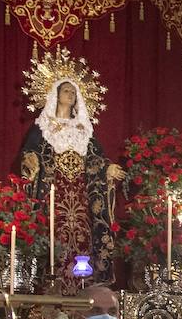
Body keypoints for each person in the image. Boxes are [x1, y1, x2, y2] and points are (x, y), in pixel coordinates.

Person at [20, 78, 125, 281]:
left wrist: (107, 168)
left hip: (80, 197)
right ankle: (49, 285)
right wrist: (30, 159)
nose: (71, 95)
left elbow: (95, 159)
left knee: (83, 237)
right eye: (66, 90)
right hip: (52, 197)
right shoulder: (42, 128)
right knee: (52, 239)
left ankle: (84, 288)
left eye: (74, 92)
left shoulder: (84, 130)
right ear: (56, 95)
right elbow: (30, 152)